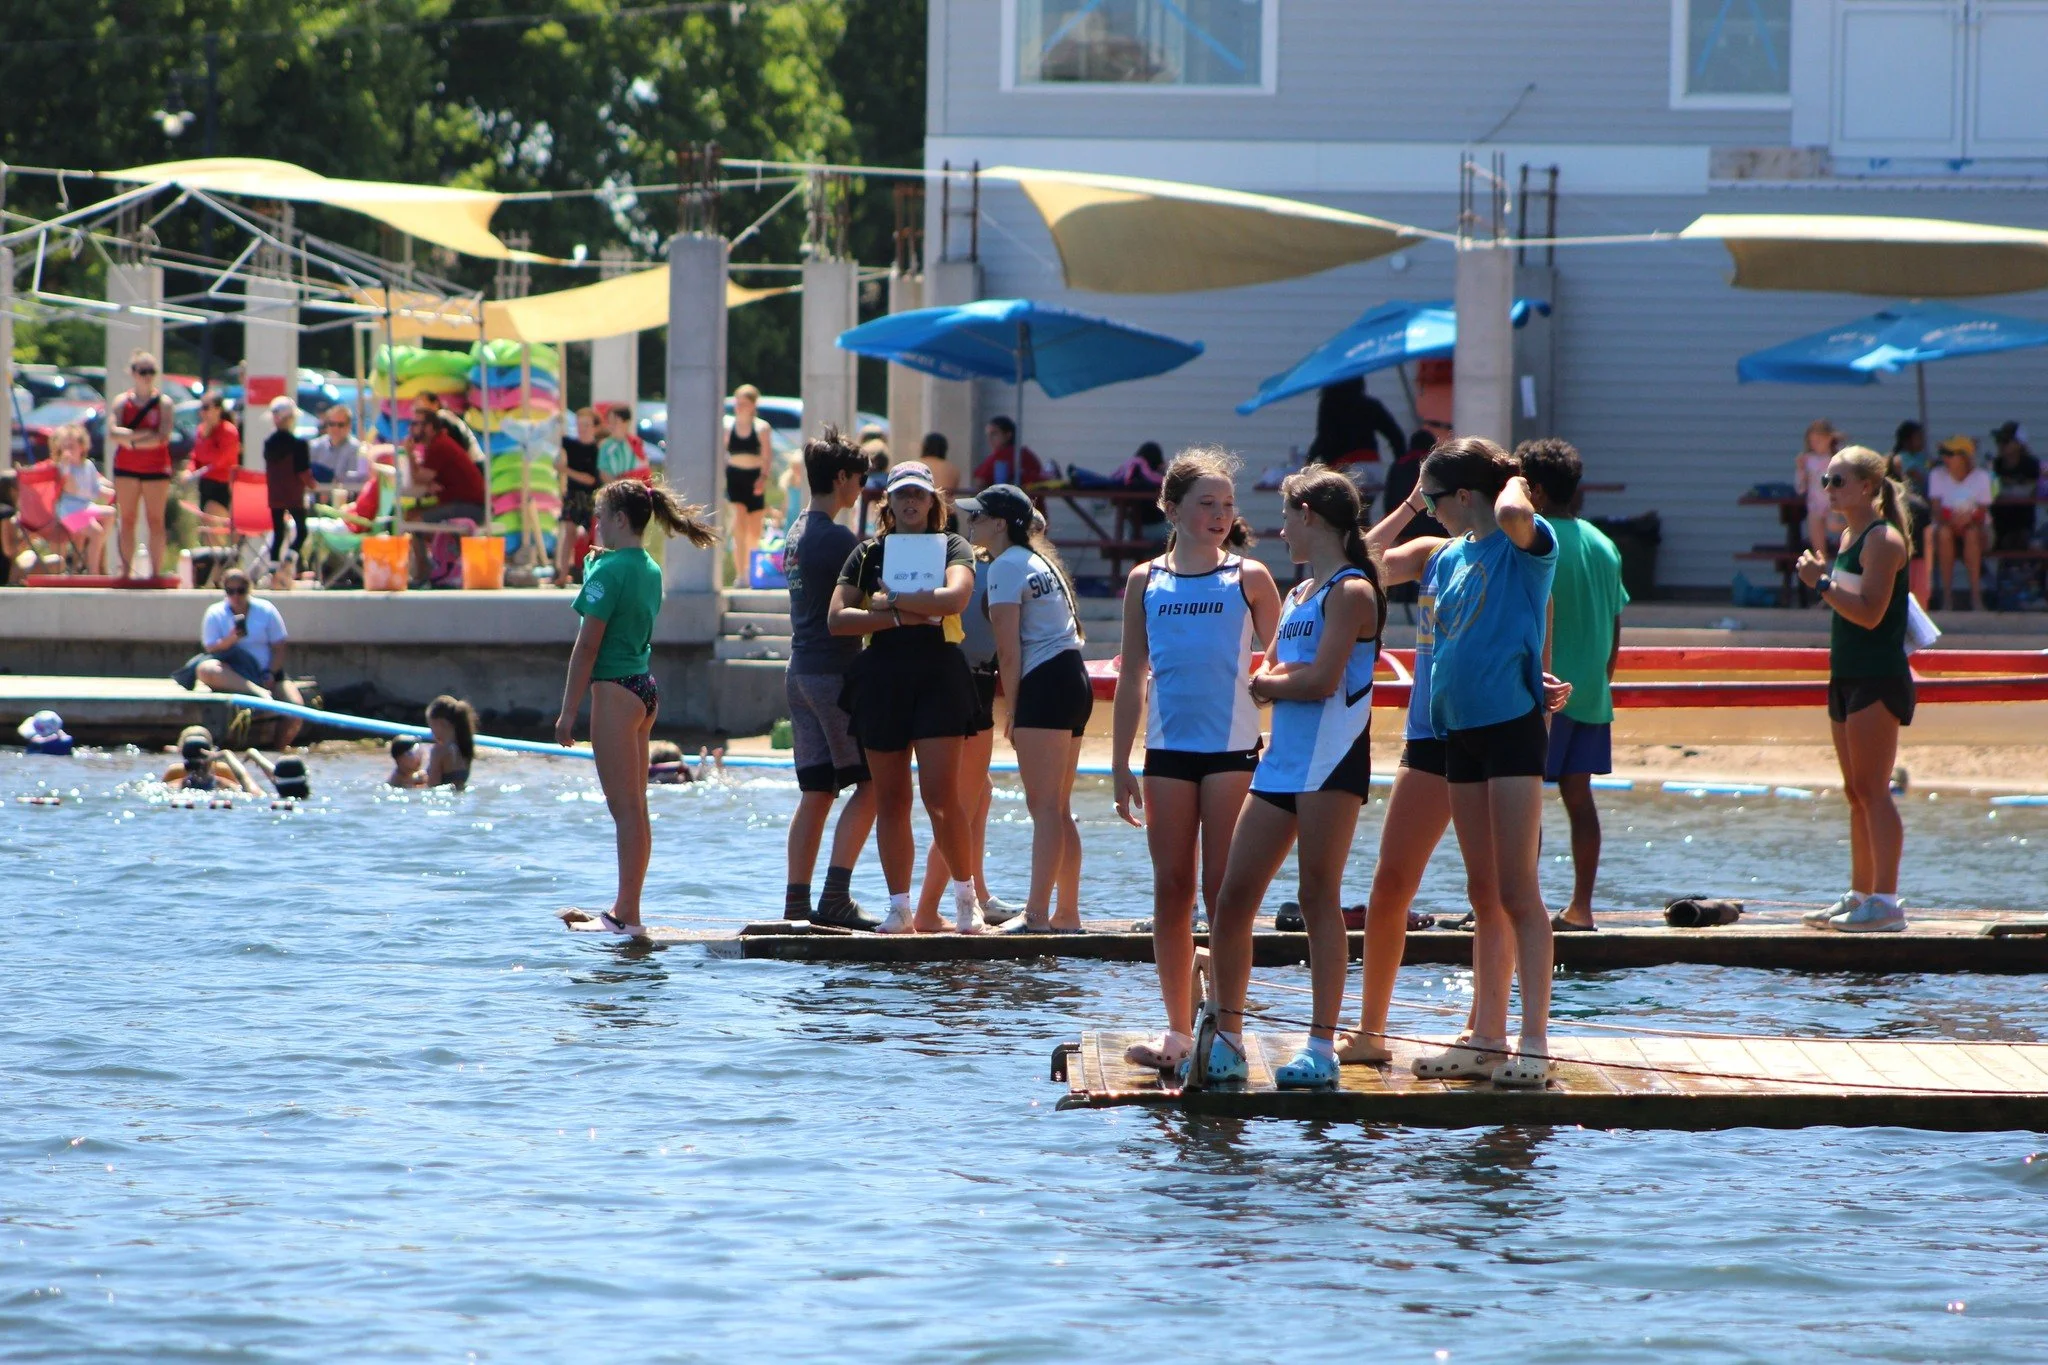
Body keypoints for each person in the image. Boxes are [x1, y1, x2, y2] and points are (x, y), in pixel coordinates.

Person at [1199, 468, 1384, 1091]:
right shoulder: (1304, 590)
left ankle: (1322, 1047)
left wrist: (1271, 685)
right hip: (1281, 762)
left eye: (1286, 515)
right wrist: (1275, 680)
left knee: (1316, 898)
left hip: (1332, 761)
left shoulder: (1353, 591)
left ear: (1309, 513)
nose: (1279, 529)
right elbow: (1277, 665)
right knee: (1232, 896)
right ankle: (1227, 1037)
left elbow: (1318, 680)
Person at [1111, 449, 1282, 1071]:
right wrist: (1120, 761)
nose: (1219, 515)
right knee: (1172, 891)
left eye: (1227, 504)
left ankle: (1229, 1032)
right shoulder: (1144, 581)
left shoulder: (1250, 577)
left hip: (1233, 752)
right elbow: (1132, 674)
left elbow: (1287, 661)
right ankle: (1179, 1032)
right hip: (1166, 754)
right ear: (1172, 509)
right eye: (1206, 504)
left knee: (1225, 894)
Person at [1410, 437, 1562, 1088]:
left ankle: (1533, 1042)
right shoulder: (1446, 558)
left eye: (1432, 498)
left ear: (1466, 495)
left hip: (1510, 728)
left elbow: (1514, 516)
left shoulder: (1522, 543)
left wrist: (1516, 479)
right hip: (1460, 731)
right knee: (1482, 894)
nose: (1427, 510)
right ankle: (1486, 1038)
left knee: (1517, 890)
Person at [827, 461, 986, 935]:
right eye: (902, 495)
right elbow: (837, 618)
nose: (911, 501)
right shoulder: (867, 553)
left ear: (933, 502)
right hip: (882, 678)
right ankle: (900, 906)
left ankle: (965, 897)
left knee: (942, 797)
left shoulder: (953, 545)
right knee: (892, 798)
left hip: (939, 673)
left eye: (919, 493)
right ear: (889, 504)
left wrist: (888, 602)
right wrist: (899, 617)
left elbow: (954, 599)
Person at [554, 480, 719, 935]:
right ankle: (630, 909)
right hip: (644, 689)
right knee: (636, 809)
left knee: (624, 811)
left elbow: (587, 646)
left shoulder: (609, 572)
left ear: (620, 520)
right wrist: (597, 569)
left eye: (602, 518)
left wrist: (567, 713)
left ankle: (626, 913)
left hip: (614, 692)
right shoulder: (646, 566)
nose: (596, 525)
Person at [958, 483, 1095, 934]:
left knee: (1044, 808)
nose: (970, 521)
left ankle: (1036, 915)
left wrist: (1013, 713)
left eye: (977, 515)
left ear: (1000, 523)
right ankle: (1067, 913)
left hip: (1045, 683)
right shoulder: (1039, 560)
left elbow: (1009, 652)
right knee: (1058, 806)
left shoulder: (1004, 567)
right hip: (1074, 679)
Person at [1796, 446, 1914, 933]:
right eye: (1825, 480)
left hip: (1877, 675)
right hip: (1845, 674)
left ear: (1867, 486)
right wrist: (1826, 578)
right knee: (1855, 791)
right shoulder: (1849, 537)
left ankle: (1886, 903)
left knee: (1874, 789)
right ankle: (1860, 894)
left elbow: (1869, 613)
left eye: (1837, 480)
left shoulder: (1883, 540)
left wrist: (1821, 583)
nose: (1828, 489)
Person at [1518, 439, 1627, 932]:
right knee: (1579, 800)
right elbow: (1616, 625)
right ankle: (1581, 909)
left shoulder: (1532, 542)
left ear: (1534, 490)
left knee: (1524, 803)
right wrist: (1599, 684)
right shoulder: (1604, 544)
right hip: (1590, 693)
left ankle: (1523, 908)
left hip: (1539, 694)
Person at [782, 430, 879, 930]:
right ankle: (836, 898)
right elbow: (874, 597)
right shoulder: (838, 539)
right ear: (840, 478)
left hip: (799, 671)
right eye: (860, 479)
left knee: (817, 792)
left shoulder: (796, 532)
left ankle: (796, 906)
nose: (862, 488)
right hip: (833, 674)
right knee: (874, 785)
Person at [177, 568, 305, 747]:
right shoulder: (215, 613)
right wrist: (231, 639)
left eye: (240, 591)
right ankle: (257, 693)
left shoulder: (266, 610)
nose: (236, 596)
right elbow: (210, 647)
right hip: (234, 673)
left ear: (249, 589)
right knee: (205, 669)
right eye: (230, 591)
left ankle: (279, 750)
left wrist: (270, 672)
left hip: (266, 673)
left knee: (297, 710)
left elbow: (280, 648)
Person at [108, 349, 177, 580]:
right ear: (133, 373)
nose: (147, 376)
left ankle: (155, 572)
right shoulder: (122, 402)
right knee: (127, 519)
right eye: (142, 371)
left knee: (155, 520)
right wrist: (144, 436)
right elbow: (113, 432)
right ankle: (125, 571)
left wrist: (132, 440)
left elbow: (162, 437)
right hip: (126, 469)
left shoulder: (164, 403)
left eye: (151, 371)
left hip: (156, 469)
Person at [1927, 434, 1992, 611]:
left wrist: (1967, 519)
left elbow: (1982, 511)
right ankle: (1948, 599)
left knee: (1971, 535)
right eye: (1943, 453)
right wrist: (1953, 520)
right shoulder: (1936, 475)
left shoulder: (1981, 477)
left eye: (1950, 453)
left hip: (1976, 528)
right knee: (1944, 534)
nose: (1945, 458)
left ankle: (1976, 598)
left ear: (1964, 457)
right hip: (1946, 527)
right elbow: (1936, 510)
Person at [1307, 376, 1406, 489]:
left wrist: (1308, 462)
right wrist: (1401, 469)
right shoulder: (1370, 405)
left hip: (1344, 468)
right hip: (1371, 467)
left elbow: (1323, 439)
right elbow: (1396, 436)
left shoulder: (1329, 405)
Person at [724, 384, 776, 585]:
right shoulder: (728, 427)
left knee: (754, 530)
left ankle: (754, 570)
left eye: (744, 404)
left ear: (753, 406)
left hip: (754, 477)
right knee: (738, 524)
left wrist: (763, 478)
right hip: (735, 476)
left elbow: (767, 456)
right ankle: (740, 574)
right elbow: (723, 454)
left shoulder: (761, 428)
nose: (739, 407)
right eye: (737, 403)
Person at [262, 397, 315, 582]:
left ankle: (272, 571)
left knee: (278, 534)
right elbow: (303, 472)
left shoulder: (269, 443)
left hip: (275, 495)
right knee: (301, 531)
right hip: (293, 495)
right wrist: (314, 485)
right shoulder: (299, 444)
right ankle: (289, 559)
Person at [50, 423, 113, 573]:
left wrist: (113, 491)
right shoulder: (62, 468)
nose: (68, 451)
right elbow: (72, 489)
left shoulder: (88, 465)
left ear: (82, 447)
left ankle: (87, 554)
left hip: (86, 507)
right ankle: (93, 571)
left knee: (111, 513)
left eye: (71, 446)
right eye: (64, 447)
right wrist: (65, 468)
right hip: (68, 511)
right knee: (96, 532)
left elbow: (95, 489)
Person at [557, 408, 602, 585]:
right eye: (579, 424)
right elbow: (554, 441)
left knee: (592, 535)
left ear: (594, 427)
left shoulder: (596, 450)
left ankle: (591, 572)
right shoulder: (569, 444)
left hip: (591, 496)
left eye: (586, 425)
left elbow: (590, 479)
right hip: (573, 495)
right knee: (569, 532)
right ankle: (563, 573)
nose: (582, 428)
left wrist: (565, 470)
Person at [185, 390, 241, 521]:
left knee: (214, 522)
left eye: (206, 408)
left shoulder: (229, 431)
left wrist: (206, 438)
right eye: (201, 408)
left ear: (218, 410)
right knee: (206, 526)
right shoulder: (201, 430)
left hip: (223, 484)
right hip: (205, 484)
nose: (202, 412)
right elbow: (196, 456)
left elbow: (218, 460)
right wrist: (189, 470)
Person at [1795, 418, 1845, 559]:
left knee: (1833, 524)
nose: (1814, 445)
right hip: (1815, 505)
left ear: (1829, 438)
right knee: (1818, 549)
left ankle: (1854, 528)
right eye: (1812, 442)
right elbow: (1800, 488)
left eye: (1818, 441)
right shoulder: (1808, 459)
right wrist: (1800, 469)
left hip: (1833, 503)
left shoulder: (1837, 457)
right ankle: (1820, 575)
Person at [1989, 421, 2041, 552]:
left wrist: (2006, 485)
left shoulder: (2031, 465)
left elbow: (2031, 490)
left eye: (2006, 441)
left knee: (2021, 542)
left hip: (2022, 524)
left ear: (2019, 444)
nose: (2001, 445)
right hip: (1998, 524)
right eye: (1999, 441)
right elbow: (1990, 491)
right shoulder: (1995, 464)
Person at [162, 726, 259, 794]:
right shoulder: (174, 771)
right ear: (211, 750)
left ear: (182, 751)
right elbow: (250, 791)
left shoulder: (174, 775)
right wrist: (227, 755)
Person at [310, 406, 368, 498]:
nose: (335, 428)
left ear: (349, 426)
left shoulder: (359, 449)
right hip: (316, 499)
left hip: (345, 500)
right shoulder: (315, 446)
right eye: (332, 424)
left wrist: (334, 480)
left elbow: (360, 479)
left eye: (340, 425)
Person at [973, 416, 1046, 488]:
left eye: (994, 434)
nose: (989, 439)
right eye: (988, 435)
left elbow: (980, 481)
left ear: (1008, 435)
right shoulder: (1023, 452)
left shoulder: (1008, 454)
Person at [424, 695, 479, 790]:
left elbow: (432, 787)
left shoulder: (439, 751)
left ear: (441, 723)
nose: (431, 732)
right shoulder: (466, 748)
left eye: (431, 726)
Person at [242, 749, 311, 800]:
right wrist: (254, 754)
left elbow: (242, 776)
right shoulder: (308, 799)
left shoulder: (261, 795)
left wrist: (253, 753)